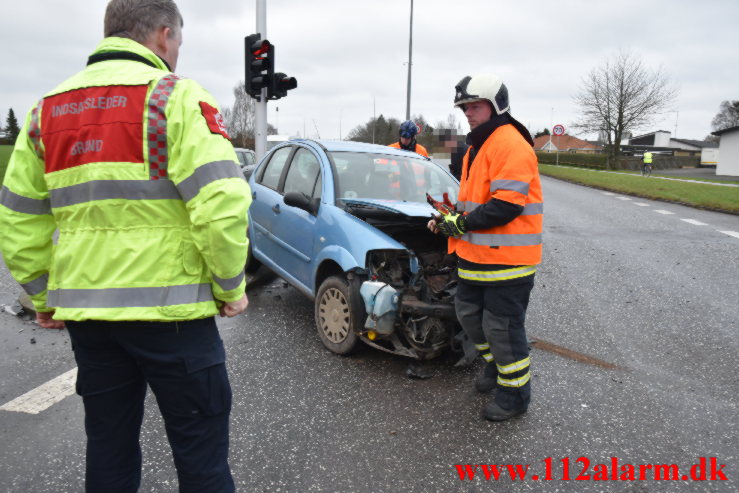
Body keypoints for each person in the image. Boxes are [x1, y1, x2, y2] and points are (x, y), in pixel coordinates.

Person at [0, 1, 250, 490]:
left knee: (109, 448)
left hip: (92, 322)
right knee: (201, 456)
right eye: (178, 40)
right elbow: (221, 202)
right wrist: (229, 286)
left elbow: (19, 216)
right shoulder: (173, 98)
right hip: (174, 316)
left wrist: (43, 295)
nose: (177, 51)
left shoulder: (46, 111)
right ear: (162, 35)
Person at [427, 74, 543, 422]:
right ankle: (497, 370)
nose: (467, 113)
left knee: (502, 328)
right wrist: (448, 219)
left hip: (508, 261)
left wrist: (459, 224)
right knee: (470, 317)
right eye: (464, 107)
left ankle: (515, 394)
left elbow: (507, 205)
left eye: (474, 106)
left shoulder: (511, 144)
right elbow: (473, 202)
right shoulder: (478, 147)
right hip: (475, 256)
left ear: (496, 106)